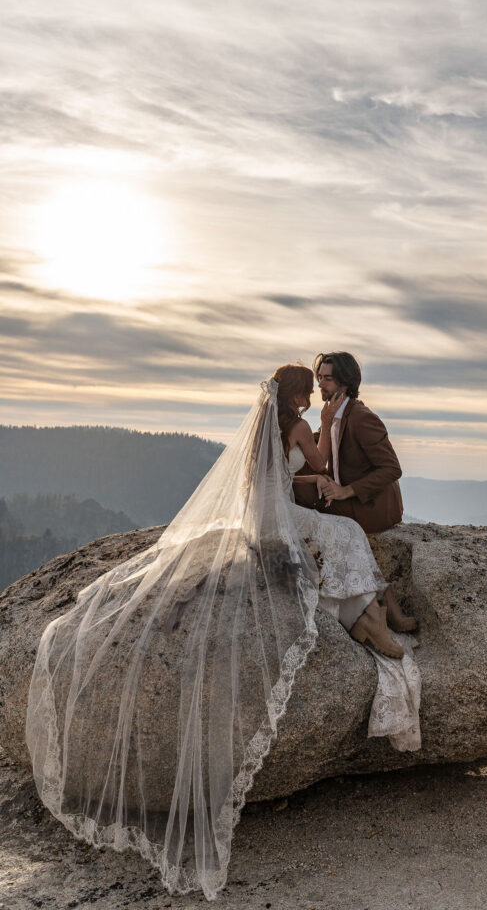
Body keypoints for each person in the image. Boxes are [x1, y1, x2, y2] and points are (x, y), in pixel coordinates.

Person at [25, 365, 420, 902]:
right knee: (345, 530)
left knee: (340, 532)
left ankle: (375, 611)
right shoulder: (304, 427)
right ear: (301, 393)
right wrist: (324, 442)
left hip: (255, 523)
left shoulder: (262, 423)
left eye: (325, 380)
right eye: (312, 383)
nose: (316, 390)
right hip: (280, 523)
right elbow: (320, 472)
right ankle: (372, 615)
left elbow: (273, 479)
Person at [293, 351, 417, 633]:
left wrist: (347, 490)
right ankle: (379, 604)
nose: (320, 384)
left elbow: (391, 468)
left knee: (314, 518)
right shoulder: (332, 415)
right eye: (319, 378)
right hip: (351, 499)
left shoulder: (362, 418)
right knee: (299, 501)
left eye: (327, 379)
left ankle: (378, 606)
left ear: (344, 384)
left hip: (374, 507)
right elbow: (312, 453)